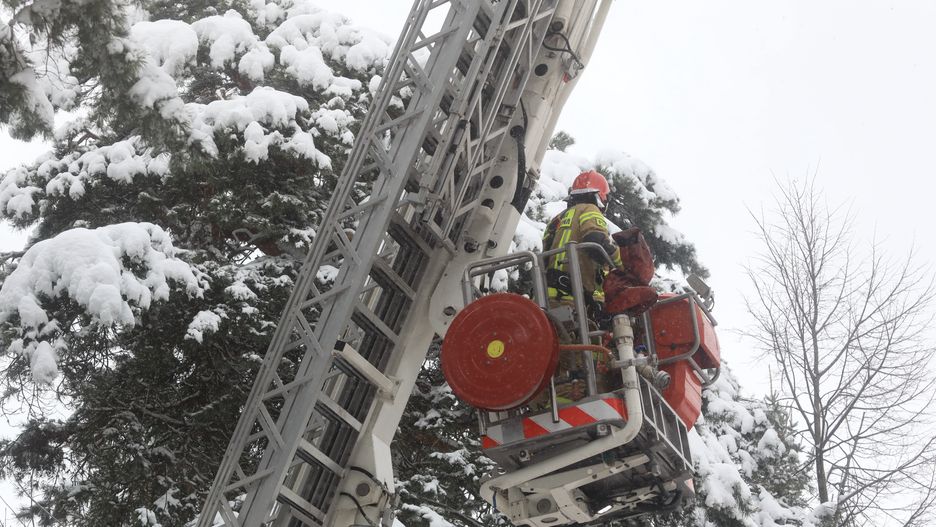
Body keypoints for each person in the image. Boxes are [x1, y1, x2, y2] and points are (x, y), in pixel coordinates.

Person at [542, 170, 625, 312]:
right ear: (601, 196)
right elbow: (596, 242)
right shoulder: (590, 209)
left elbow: (545, 257)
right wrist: (624, 264)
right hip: (572, 297)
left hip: (546, 296)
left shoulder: (557, 220)